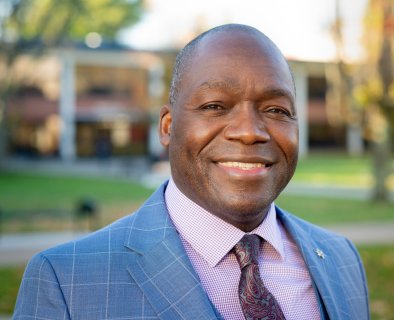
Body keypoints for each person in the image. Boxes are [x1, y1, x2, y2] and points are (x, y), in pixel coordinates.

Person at [13, 24, 369, 320]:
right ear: (168, 127)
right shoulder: (66, 282)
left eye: (276, 110)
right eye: (215, 106)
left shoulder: (341, 259)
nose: (249, 131)